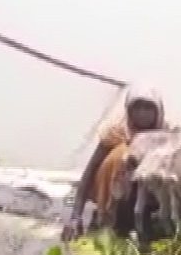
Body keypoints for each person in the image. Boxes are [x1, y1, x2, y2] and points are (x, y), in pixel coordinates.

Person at [61, 87, 168, 241]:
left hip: (151, 209)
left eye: (148, 108)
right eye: (137, 107)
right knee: (122, 154)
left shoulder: (167, 136)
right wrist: (75, 217)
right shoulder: (116, 133)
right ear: (128, 109)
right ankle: (108, 216)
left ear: (158, 111)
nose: (142, 113)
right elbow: (89, 172)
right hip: (116, 205)